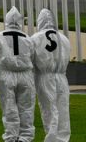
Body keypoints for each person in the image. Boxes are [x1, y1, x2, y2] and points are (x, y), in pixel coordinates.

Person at [0, 6, 35, 142]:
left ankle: (11, 137)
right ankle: (26, 137)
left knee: (9, 107)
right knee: (26, 107)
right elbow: (32, 56)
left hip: (6, 75)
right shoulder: (28, 38)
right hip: (25, 75)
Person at [31, 9, 71, 142]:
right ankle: (62, 139)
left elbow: (31, 60)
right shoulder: (64, 38)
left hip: (44, 76)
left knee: (49, 110)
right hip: (62, 77)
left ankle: (51, 138)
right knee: (63, 109)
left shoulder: (35, 38)